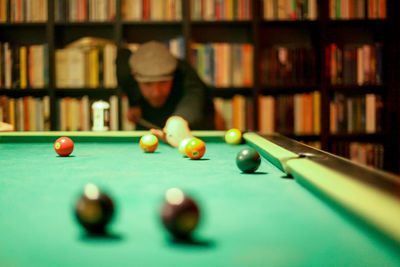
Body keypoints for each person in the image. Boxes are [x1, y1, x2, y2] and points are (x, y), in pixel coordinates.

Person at [116, 41, 215, 145]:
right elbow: (122, 55)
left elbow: (194, 98)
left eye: (163, 82)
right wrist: (135, 103)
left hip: (192, 130)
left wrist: (179, 120)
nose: (156, 93)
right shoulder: (126, 73)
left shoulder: (185, 73)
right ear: (134, 75)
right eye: (148, 84)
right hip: (149, 128)